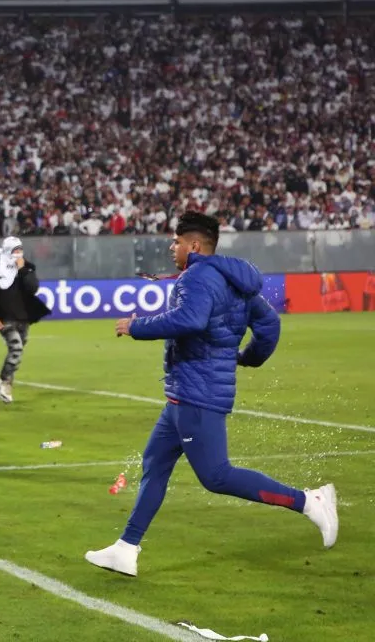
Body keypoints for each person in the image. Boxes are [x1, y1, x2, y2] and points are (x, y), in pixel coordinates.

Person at [85, 212, 338, 577]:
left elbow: (191, 319)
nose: (172, 247)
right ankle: (125, 549)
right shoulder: (234, 280)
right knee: (154, 466)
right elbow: (269, 326)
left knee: (216, 476)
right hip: (184, 393)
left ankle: (309, 502)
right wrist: (248, 359)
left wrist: (136, 326)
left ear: (195, 245)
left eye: (176, 241)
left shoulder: (198, 277)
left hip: (197, 394)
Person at [0, 236, 51, 403]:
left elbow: (32, 288)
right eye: (15, 250)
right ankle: (4, 381)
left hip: (23, 317)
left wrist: (23, 270)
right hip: (4, 317)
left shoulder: (27, 267)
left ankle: (7, 383)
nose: (19, 253)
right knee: (16, 348)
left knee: (16, 352)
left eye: (20, 249)